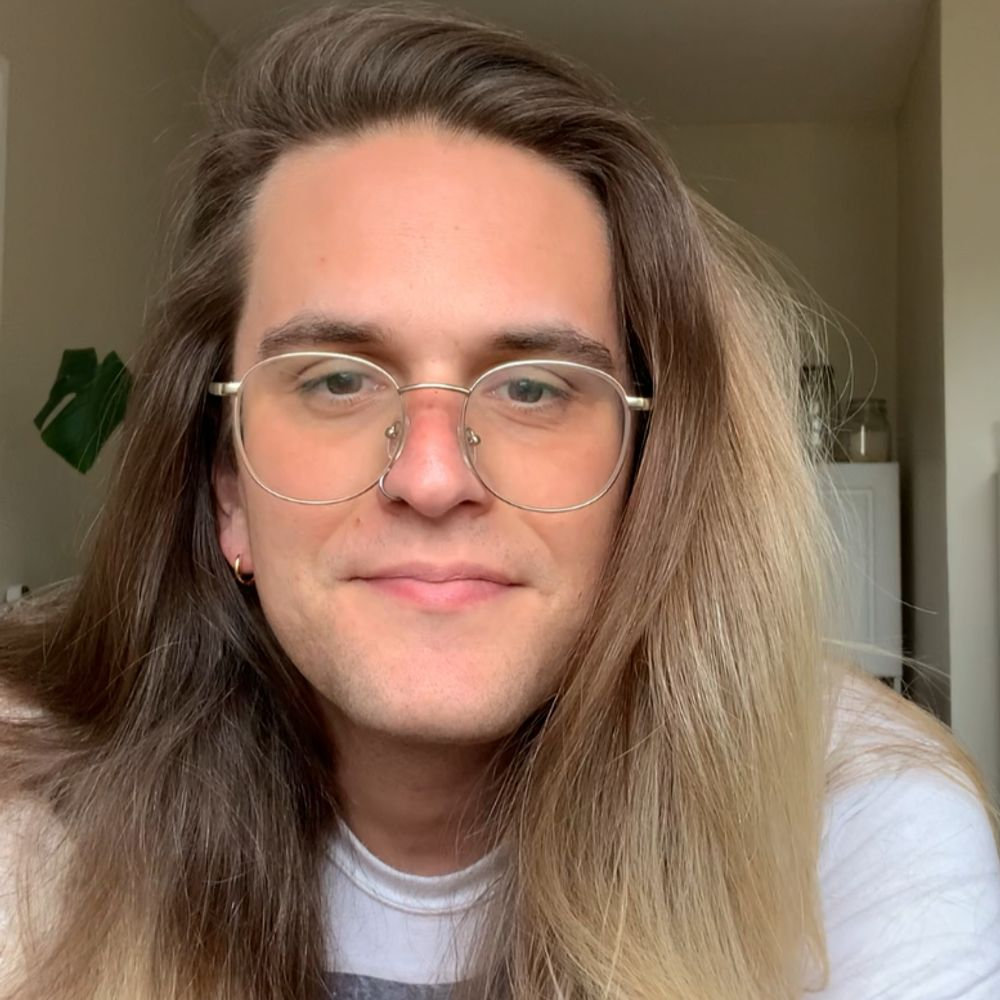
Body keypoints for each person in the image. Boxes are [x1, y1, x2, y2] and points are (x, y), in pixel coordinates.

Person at [1, 4, 998, 999]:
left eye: (532, 388)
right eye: (337, 379)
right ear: (230, 492)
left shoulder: (851, 840)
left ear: (646, 476)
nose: (433, 478)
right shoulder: (35, 837)